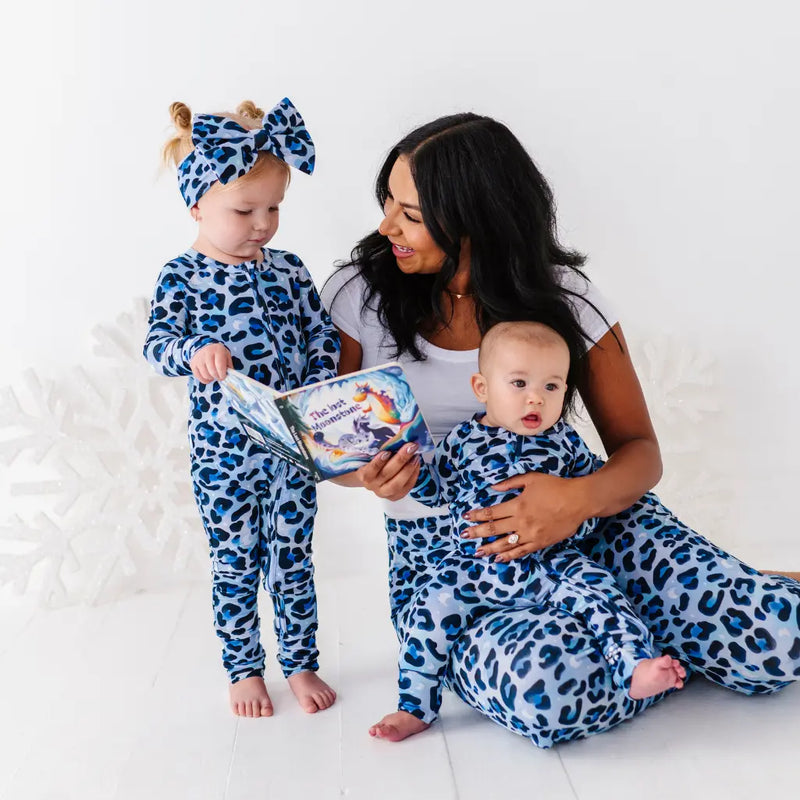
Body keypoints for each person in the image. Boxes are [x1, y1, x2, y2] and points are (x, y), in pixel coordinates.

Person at [321, 111, 800, 747]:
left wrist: (573, 503)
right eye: (387, 204)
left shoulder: (567, 298)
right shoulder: (357, 296)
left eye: (409, 213)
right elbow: (330, 441)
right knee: (545, 697)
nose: (386, 227)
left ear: (474, 219)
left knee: (774, 645)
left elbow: (641, 455)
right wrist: (370, 478)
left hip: (598, 521)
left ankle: (690, 617)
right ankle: (656, 639)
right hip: (454, 556)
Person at [370, 320, 685, 741]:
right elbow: (438, 491)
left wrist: (578, 515)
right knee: (430, 610)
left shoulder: (566, 442)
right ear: (482, 389)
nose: (535, 396)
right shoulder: (464, 440)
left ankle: (634, 666)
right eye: (518, 383)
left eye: (552, 387)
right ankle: (415, 707)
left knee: (602, 592)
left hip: (550, 563)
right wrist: (409, 472)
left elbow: (590, 499)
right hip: (475, 566)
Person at [144, 97, 339, 718]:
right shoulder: (182, 275)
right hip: (224, 457)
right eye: (244, 209)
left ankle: (301, 663)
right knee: (235, 565)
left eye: (274, 207)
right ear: (197, 203)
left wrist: (320, 378)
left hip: (293, 450)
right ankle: (244, 670)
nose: (263, 223)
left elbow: (322, 334)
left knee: (293, 563)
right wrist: (194, 349)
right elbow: (156, 344)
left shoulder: (288, 270)